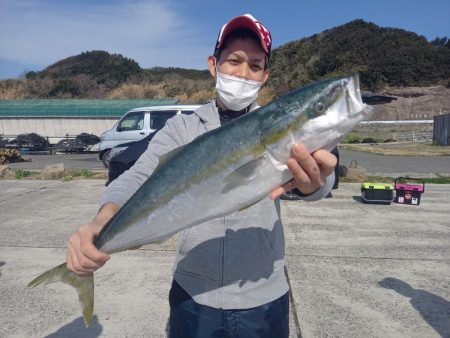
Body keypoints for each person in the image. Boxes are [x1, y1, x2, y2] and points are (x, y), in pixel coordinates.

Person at [66, 14, 337, 338]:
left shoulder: (280, 125)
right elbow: (136, 177)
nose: (243, 73)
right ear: (213, 64)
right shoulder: (182, 128)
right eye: (234, 61)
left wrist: (315, 185)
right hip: (193, 296)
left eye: (254, 65)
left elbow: (322, 177)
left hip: (264, 295)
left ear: (265, 75)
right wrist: (102, 222)